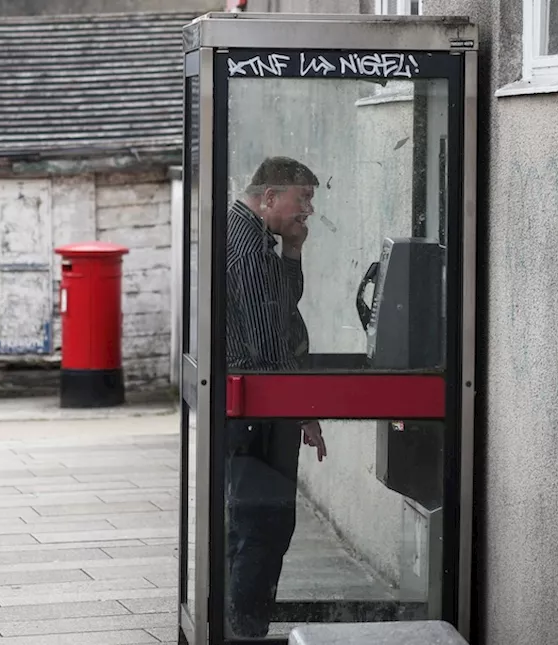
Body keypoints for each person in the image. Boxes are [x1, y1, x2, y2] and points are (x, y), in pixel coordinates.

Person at [224, 156, 327, 638]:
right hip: (260, 411)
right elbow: (270, 344)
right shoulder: (248, 249)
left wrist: (293, 251)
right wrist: (305, 410)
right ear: (269, 198)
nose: (307, 209)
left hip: (255, 407)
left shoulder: (256, 238)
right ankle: (246, 631)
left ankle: (237, 622)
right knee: (265, 526)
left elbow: (284, 307)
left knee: (249, 523)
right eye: (301, 199)